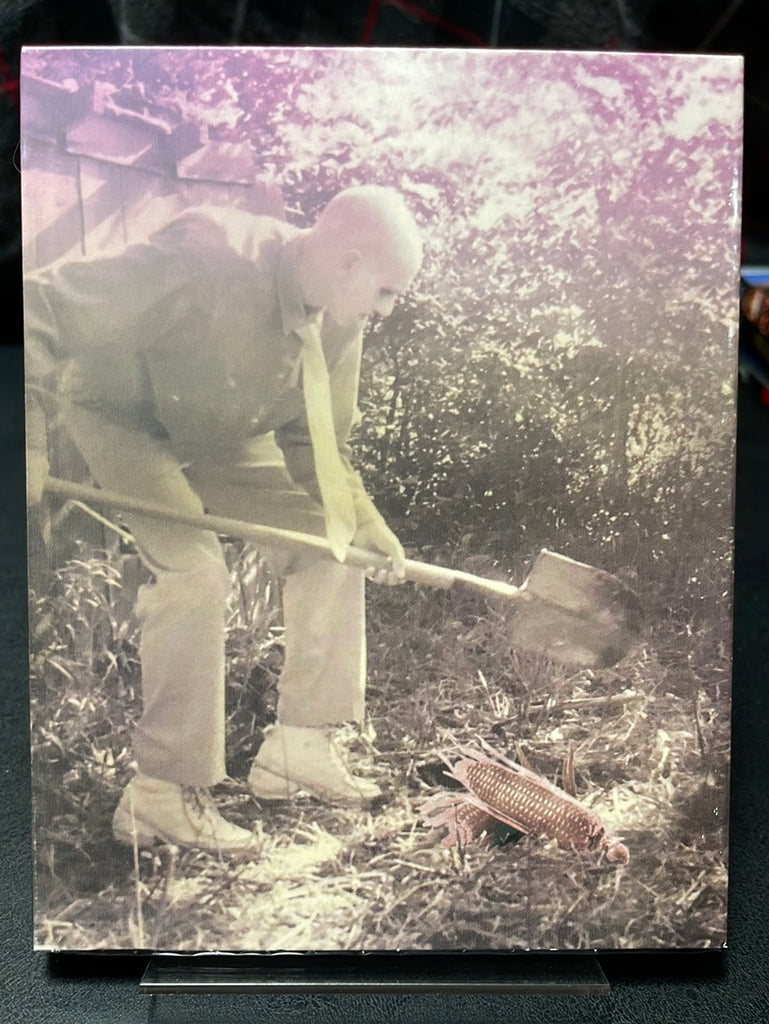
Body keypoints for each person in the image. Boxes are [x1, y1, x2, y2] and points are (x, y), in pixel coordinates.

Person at [25, 185, 423, 854]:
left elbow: (318, 441)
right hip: (126, 420)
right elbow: (36, 305)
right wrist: (25, 439)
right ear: (348, 262)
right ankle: (160, 795)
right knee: (196, 575)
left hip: (225, 433)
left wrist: (361, 518)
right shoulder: (208, 253)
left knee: (334, 545)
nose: (384, 310)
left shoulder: (339, 316)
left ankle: (297, 749)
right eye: (385, 292)